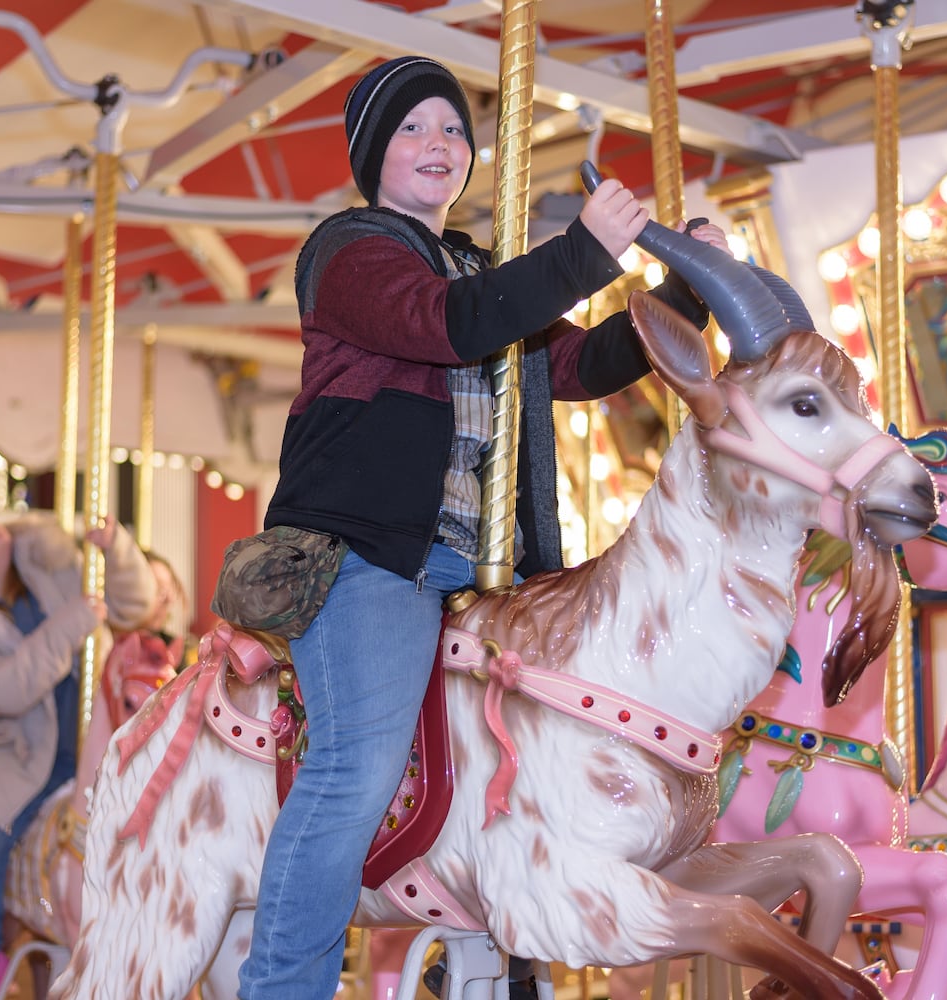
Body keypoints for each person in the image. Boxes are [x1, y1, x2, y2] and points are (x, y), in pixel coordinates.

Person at [236, 55, 728, 1000]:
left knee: (530, 763)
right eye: (415, 128)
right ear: (374, 153)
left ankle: (510, 969)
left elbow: (578, 367)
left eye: (454, 130)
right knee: (356, 768)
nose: (439, 145)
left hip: (474, 568)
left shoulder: (475, 265)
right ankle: (281, 988)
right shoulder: (348, 253)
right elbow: (452, 324)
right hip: (369, 556)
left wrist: (685, 292)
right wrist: (585, 252)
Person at [0, 507, 156, 1000]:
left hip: (95, 743)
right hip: (21, 758)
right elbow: (5, 688)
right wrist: (72, 622)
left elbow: (133, 605)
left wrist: (115, 550)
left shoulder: (50, 563)